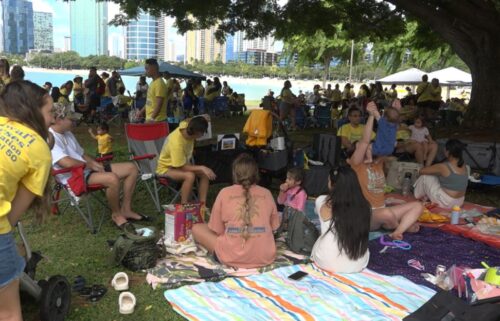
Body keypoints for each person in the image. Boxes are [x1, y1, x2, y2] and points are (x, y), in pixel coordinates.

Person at [0, 80, 54, 321]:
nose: (52, 119)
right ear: (33, 111)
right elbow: (12, 216)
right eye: (51, 112)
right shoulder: (37, 147)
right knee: (9, 313)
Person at [50, 103, 147, 228]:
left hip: (86, 170)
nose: (74, 122)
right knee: (112, 179)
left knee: (131, 168)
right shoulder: (50, 137)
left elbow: (82, 154)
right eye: (71, 119)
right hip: (74, 177)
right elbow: (66, 163)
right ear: (58, 120)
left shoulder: (67, 133)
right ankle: (116, 215)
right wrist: (90, 166)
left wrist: (96, 164)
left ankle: (126, 209)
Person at [348, 101, 422, 240]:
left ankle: (397, 231)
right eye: (360, 148)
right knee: (386, 214)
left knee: (417, 206)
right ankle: (399, 225)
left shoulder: (378, 162)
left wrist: (395, 110)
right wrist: (371, 116)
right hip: (367, 215)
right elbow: (365, 140)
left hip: (382, 209)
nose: (365, 147)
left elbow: (388, 133)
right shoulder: (356, 165)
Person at [192, 154, 280, 268]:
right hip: (265, 256)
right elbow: (274, 227)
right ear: (256, 174)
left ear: (234, 174)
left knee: (196, 228)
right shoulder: (267, 193)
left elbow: (217, 230)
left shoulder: (224, 193)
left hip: (231, 256)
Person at [311, 166, 371, 273]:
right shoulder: (365, 206)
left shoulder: (321, 201)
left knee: (322, 236)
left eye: (329, 180)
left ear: (333, 184)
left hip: (326, 261)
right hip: (357, 263)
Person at [156, 116, 216, 204]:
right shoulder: (176, 143)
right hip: (166, 169)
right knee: (190, 175)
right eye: (203, 133)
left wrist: (202, 117)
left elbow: (189, 120)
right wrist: (202, 167)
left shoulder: (186, 125)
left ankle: (202, 205)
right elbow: (182, 167)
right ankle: (184, 205)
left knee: (205, 174)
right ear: (198, 133)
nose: (203, 135)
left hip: (179, 164)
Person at [414, 139, 469, 208]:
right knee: (436, 178)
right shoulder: (464, 165)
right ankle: (425, 197)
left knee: (425, 177)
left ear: (448, 152)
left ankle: (416, 196)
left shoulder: (443, 166)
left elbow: (421, 171)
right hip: (459, 202)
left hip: (447, 203)